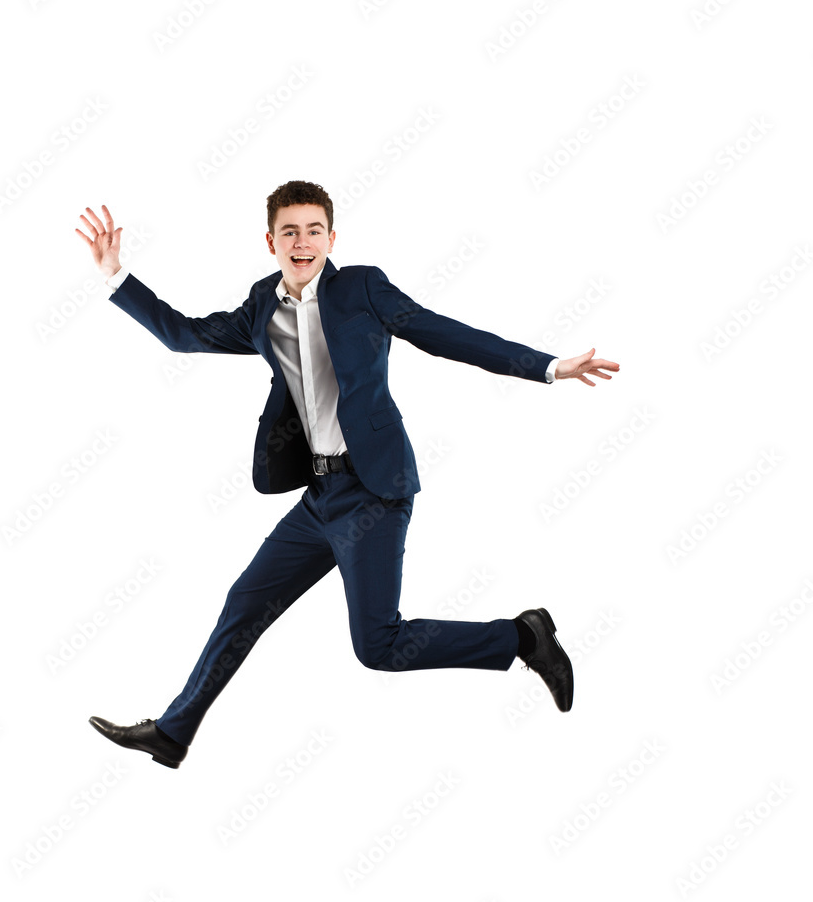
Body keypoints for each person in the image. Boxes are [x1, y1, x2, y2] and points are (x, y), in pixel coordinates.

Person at [75, 180, 619, 769]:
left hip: (374, 490)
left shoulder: (362, 288)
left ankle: (523, 637)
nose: (302, 242)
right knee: (244, 603)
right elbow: (184, 334)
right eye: (289, 232)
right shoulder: (262, 305)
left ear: (332, 238)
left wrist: (548, 367)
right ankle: (173, 732)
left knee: (378, 646)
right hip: (320, 497)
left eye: (314, 231)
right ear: (270, 242)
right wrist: (116, 276)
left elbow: (444, 334)